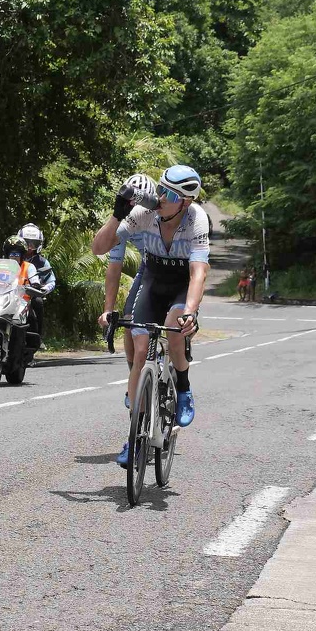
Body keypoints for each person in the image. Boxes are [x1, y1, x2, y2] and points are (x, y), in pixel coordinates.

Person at [93, 164, 209, 468]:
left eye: (168, 193)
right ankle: (134, 437)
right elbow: (99, 249)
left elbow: (198, 272)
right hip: (154, 283)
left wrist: (191, 312)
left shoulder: (197, 219)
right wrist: (117, 214)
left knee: (173, 333)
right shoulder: (145, 213)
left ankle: (182, 386)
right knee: (139, 347)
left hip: (182, 287)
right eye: (160, 188)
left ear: (185, 201)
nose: (160, 197)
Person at [101, 173, 157, 410]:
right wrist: (107, 310)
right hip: (147, 268)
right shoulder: (125, 224)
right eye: (131, 204)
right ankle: (134, 372)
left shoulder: (161, 214)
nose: (135, 209)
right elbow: (114, 269)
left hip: (168, 266)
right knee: (127, 318)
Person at [17, 223, 55, 339]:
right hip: (10, 291)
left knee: (38, 302)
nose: (29, 246)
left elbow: (51, 281)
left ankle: (37, 335)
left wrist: (43, 289)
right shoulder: (12, 256)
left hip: (30, 294)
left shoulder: (42, 262)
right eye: (26, 242)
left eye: (33, 243)